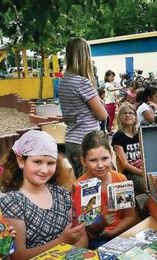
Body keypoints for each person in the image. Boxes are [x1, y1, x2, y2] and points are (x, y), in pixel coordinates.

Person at [0, 130, 87, 260]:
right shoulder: (12, 203)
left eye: (50, 163)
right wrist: (61, 242)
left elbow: (81, 237)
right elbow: (17, 258)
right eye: (38, 162)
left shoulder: (61, 194)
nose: (44, 170)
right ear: (21, 161)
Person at [77, 130, 138, 249]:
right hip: (98, 238)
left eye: (105, 158)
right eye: (93, 160)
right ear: (83, 161)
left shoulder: (120, 179)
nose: (100, 165)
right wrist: (102, 224)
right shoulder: (81, 186)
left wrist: (113, 233)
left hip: (121, 232)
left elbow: (130, 217)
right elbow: (89, 231)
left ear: (111, 156)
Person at [58, 37, 108, 176]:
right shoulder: (82, 82)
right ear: (85, 56)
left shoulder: (64, 81)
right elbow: (103, 115)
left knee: (81, 184)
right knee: (91, 188)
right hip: (87, 141)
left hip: (71, 140)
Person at [111, 103, 145, 194]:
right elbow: (124, 164)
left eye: (131, 113)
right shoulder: (118, 137)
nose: (127, 115)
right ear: (119, 117)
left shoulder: (139, 134)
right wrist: (142, 172)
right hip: (130, 172)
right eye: (124, 113)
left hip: (143, 168)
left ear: (135, 117)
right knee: (148, 186)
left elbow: (145, 154)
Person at [103, 70, 121, 135]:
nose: (113, 78)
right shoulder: (107, 84)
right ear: (107, 77)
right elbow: (110, 89)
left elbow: (114, 94)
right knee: (109, 118)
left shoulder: (112, 84)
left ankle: (109, 130)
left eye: (113, 76)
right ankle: (108, 130)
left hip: (112, 103)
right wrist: (119, 88)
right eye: (112, 76)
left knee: (112, 117)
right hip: (108, 103)